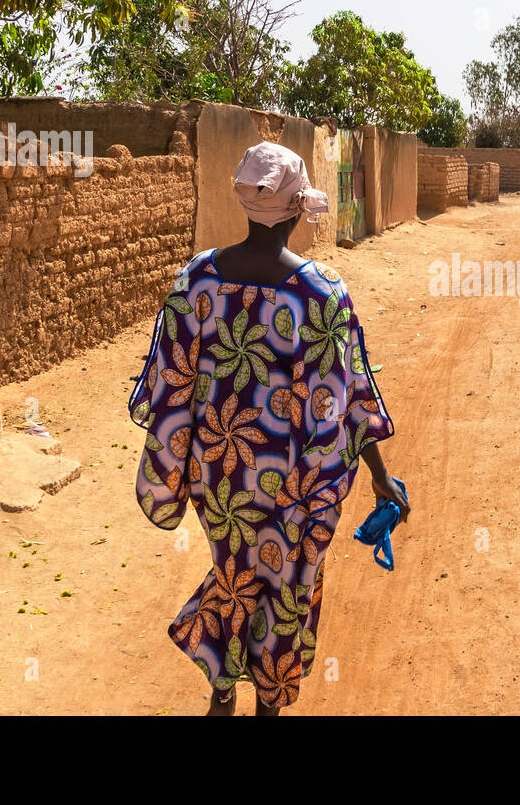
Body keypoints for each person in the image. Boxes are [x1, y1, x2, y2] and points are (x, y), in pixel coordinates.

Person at [127, 140, 409, 716]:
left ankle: (222, 692)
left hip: (219, 474)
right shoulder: (321, 294)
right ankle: (268, 706)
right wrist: (380, 477)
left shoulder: (196, 281)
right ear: (299, 209)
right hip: (291, 487)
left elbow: (170, 384)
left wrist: (177, 464)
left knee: (232, 570)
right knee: (285, 588)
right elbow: (347, 402)